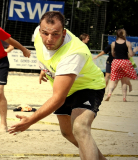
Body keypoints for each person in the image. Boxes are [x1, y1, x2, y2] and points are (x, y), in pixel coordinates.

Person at [8, 11, 107, 160]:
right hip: (65, 87)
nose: (49, 39)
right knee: (67, 133)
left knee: (80, 128)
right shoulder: (38, 33)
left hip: (88, 86)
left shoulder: (74, 53)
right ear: (40, 30)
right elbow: (46, 57)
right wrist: (45, 69)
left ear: (64, 32)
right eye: (45, 33)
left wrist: (30, 120)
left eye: (55, 34)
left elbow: (58, 98)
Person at [105, 29, 138, 102]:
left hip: (116, 62)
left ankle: (109, 93)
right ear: (123, 34)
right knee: (124, 81)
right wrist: (135, 50)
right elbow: (131, 55)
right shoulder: (128, 43)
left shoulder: (113, 43)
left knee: (112, 80)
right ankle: (124, 97)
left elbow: (113, 54)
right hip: (125, 62)